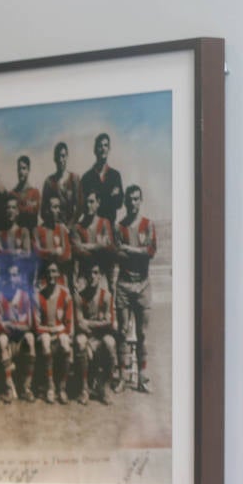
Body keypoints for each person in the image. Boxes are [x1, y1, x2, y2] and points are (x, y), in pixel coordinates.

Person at [115, 183, 158, 392]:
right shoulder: (119, 227)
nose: (133, 203)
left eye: (136, 199)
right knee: (122, 332)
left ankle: (142, 377)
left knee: (142, 334)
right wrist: (135, 253)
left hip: (142, 285)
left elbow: (150, 251)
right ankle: (123, 376)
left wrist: (130, 249)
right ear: (125, 202)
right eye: (129, 199)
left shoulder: (148, 225)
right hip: (124, 284)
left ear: (141, 201)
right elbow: (118, 254)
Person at [74, 261, 118, 404]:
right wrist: (93, 326)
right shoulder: (80, 296)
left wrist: (90, 323)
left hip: (101, 336)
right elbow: (80, 322)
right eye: (89, 273)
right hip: (86, 336)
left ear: (100, 276)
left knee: (110, 342)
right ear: (85, 276)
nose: (92, 276)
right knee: (80, 342)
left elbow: (109, 322)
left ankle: (104, 386)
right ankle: (84, 389)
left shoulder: (106, 296)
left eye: (95, 273)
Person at [34, 259, 76, 403]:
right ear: (44, 275)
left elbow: (69, 323)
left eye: (54, 271)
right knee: (45, 342)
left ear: (58, 274)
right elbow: (37, 325)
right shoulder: (39, 295)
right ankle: (50, 386)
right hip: (45, 333)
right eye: (48, 272)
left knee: (65, 345)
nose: (51, 275)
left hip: (60, 334)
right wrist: (52, 329)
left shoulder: (65, 294)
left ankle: (62, 387)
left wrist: (60, 332)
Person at [0, 262, 37, 402]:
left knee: (30, 337)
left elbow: (29, 324)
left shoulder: (24, 296)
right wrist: (17, 324)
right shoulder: (0, 297)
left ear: (19, 278)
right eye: (9, 276)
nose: (12, 279)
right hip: (7, 341)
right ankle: (9, 388)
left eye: (15, 275)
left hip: (20, 341)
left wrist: (12, 324)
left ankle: (26, 387)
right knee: (1, 339)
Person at [79, 132, 123, 224]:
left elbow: (119, 203)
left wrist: (99, 200)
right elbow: (82, 205)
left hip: (109, 226)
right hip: (91, 227)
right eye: (100, 146)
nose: (103, 149)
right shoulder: (87, 178)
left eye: (106, 145)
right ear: (95, 150)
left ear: (109, 149)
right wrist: (110, 196)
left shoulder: (115, 176)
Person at [41, 141, 81, 227]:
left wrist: (69, 227)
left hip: (71, 226)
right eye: (58, 156)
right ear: (54, 159)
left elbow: (79, 208)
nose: (60, 160)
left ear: (67, 157)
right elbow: (43, 211)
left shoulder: (74, 179)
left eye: (63, 156)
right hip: (54, 226)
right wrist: (56, 225)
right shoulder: (49, 182)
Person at [11, 154, 42, 230]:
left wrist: (18, 209)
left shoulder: (35, 192)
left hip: (31, 232)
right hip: (17, 233)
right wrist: (25, 206)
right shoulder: (12, 194)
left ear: (28, 170)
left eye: (24, 168)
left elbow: (32, 213)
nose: (21, 171)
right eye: (19, 169)